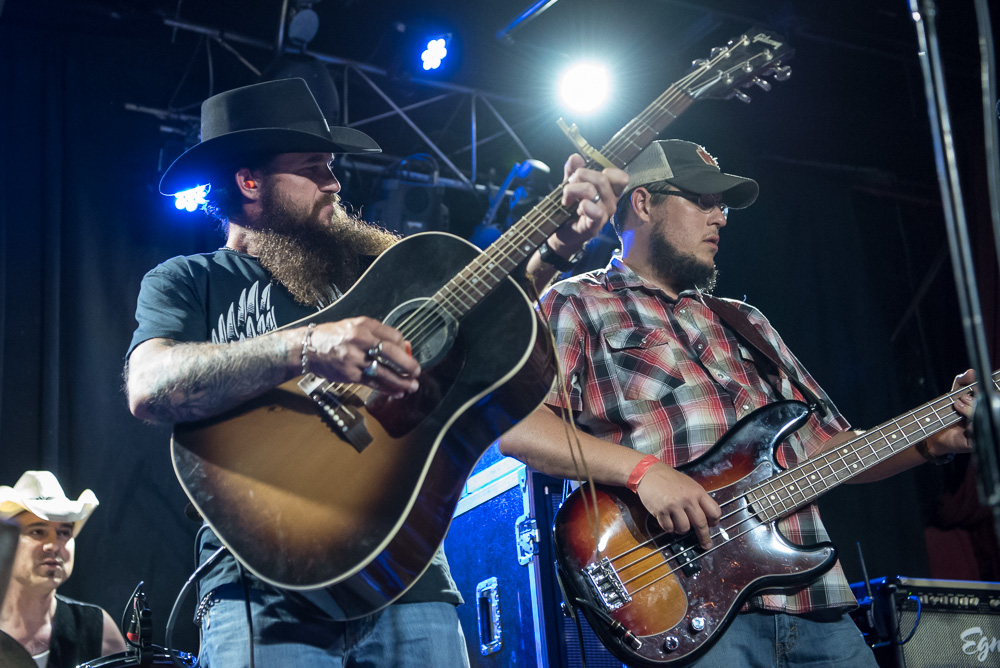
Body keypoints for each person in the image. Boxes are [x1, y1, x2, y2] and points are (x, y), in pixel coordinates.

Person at [124, 77, 627, 667]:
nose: (334, 183)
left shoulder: (378, 266)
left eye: (332, 166)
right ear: (249, 181)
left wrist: (557, 250)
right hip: (262, 593)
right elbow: (149, 385)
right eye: (313, 168)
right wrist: (307, 345)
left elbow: (487, 335)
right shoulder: (190, 279)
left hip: (411, 580)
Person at [498, 139, 976, 667]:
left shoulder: (747, 323)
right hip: (691, 612)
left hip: (816, 608)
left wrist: (933, 440)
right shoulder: (574, 302)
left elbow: (828, 451)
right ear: (643, 203)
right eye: (703, 200)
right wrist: (643, 473)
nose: (719, 218)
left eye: (722, 206)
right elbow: (516, 425)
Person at [0, 470, 127, 667]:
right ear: (7, 540)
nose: (53, 545)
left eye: (63, 533)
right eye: (38, 531)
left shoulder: (96, 629)